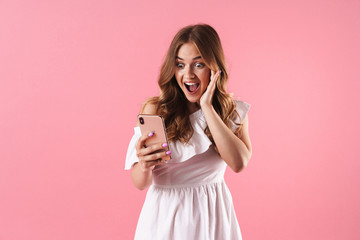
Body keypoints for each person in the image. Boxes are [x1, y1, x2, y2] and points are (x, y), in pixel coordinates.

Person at [125, 24, 252, 240]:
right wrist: (145, 165)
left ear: (214, 67)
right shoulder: (156, 110)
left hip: (213, 214)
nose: (188, 74)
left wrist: (208, 108)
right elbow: (140, 183)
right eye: (180, 65)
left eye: (199, 64)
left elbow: (239, 163)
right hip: (165, 217)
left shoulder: (231, 110)